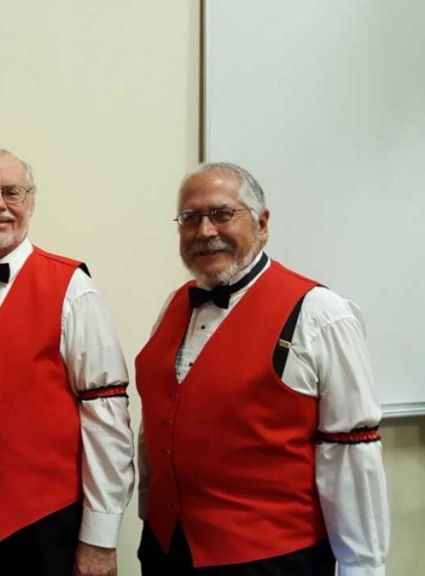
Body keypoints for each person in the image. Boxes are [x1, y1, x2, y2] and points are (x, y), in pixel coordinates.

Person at [135, 162, 390, 575]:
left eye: (221, 214)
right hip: (167, 550)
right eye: (190, 218)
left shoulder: (321, 315)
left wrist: (363, 568)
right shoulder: (173, 305)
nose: (204, 232)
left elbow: (351, 454)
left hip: (271, 559)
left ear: (262, 223)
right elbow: (158, 422)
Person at [0, 149, 135, 576]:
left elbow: (107, 415)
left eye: (11, 192)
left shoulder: (73, 287)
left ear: (31, 201)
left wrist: (100, 538)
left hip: (44, 526)